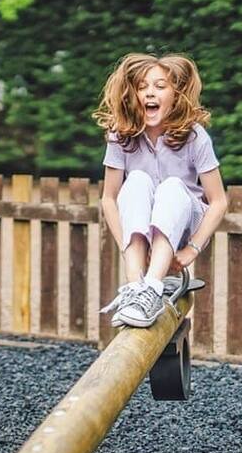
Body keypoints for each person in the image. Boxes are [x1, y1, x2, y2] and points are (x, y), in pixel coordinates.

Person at [95, 53, 228, 328]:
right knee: (137, 180)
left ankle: (153, 288)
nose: (149, 93)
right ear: (132, 95)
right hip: (141, 229)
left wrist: (192, 249)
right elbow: (109, 199)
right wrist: (128, 246)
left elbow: (218, 202)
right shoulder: (120, 135)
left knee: (170, 187)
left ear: (176, 95)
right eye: (142, 87)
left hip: (183, 223)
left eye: (159, 86)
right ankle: (136, 288)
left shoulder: (194, 136)